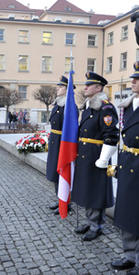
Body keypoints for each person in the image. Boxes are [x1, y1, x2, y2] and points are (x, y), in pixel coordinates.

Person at [71, 72, 119, 241]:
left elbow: (112, 134)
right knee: (86, 189)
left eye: (88, 85)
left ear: (98, 88)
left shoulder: (105, 108)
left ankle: (97, 225)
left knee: (96, 190)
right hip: (85, 154)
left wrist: (104, 159)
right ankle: (89, 220)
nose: (85, 87)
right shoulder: (88, 106)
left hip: (97, 155)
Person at [111, 62, 139, 274]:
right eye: (133, 79)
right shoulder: (129, 104)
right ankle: (129, 255)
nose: (133, 83)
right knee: (128, 212)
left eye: (137, 80)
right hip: (128, 162)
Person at [46, 75, 75, 215]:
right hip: (54, 141)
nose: (58, 88)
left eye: (61, 86)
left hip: (62, 143)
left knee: (62, 171)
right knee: (54, 171)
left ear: (67, 89)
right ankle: (60, 199)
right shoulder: (57, 105)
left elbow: (71, 129)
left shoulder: (70, 107)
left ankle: (66, 202)